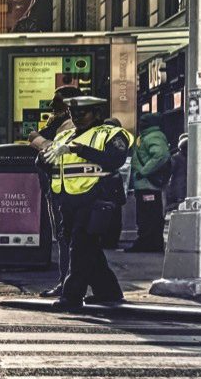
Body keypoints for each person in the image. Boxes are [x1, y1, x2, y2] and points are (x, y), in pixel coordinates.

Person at [41, 96, 133, 311]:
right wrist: (46, 158)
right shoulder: (64, 136)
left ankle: (71, 296)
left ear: (97, 114)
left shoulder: (111, 134)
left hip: (96, 198)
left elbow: (114, 159)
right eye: (74, 114)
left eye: (84, 113)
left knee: (80, 246)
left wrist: (78, 150)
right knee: (86, 247)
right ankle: (107, 291)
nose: (78, 118)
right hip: (67, 199)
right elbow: (45, 163)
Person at [31, 86, 84, 298]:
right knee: (68, 238)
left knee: (66, 238)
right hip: (59, 187)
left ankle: (67, 284)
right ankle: (71, 283)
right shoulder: (60, 123)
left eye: (58, 102)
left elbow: (54, 152)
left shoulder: (70, 125)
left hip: (67, 189)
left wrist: (37, 140)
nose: (52, 106)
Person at [130, 113, 172, 253]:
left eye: (144, 121)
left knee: (149, 214)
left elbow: (162, 155)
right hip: (145, 185)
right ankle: (148, 241)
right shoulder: (145, 136)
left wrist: (144, 171)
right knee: (146, 214)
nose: (140, 122)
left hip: (149, 185)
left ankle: (148, 242)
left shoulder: (153, 136)